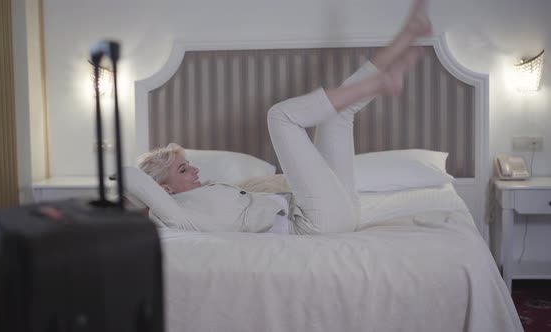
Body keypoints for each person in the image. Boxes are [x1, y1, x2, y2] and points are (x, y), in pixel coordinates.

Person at [137, 0, 432, 234]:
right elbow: (131, 178)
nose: (195, 171)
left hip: (339, 211)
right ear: (163, 189)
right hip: (314, 224)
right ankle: (380, 83)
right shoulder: (178, 215)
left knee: (338, 113)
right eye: (183, 170)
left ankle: (405, 37)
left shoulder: (204, 192)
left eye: (188, 165)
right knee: (280, 116)